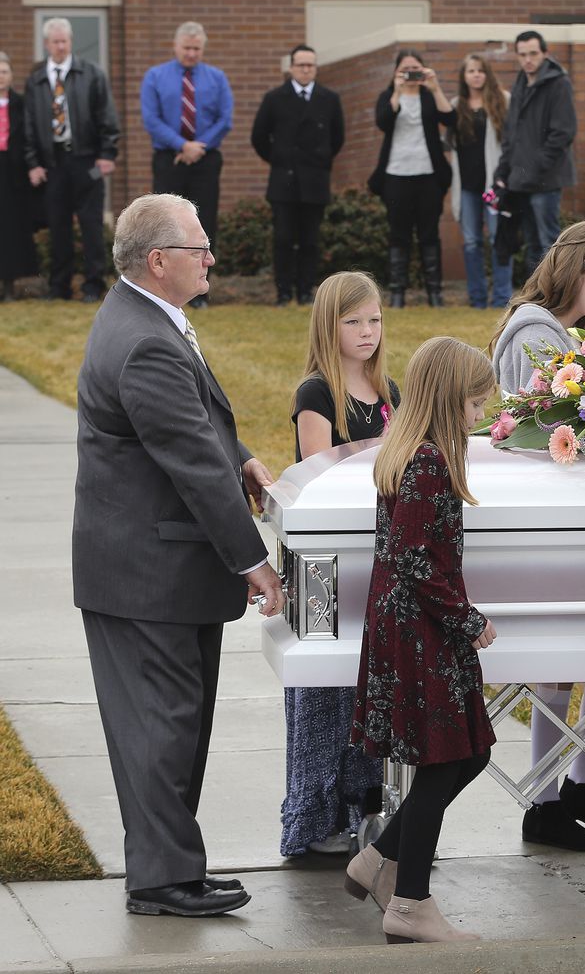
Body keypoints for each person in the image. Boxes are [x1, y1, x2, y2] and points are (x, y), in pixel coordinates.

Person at [72, 192, 283, 917]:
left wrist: (246, 459)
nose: (211, 258)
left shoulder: (147, 319)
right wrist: (253, 560)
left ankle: (170, 868)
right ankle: (162, 879)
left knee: (171, 724)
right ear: (159, 260)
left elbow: (195, 423)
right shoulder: (146, 339)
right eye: (200, 247)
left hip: (152, 566)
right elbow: (190, 458)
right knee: (162, 727)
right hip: (146, 573)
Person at [488, 220, 585, 851]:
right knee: (561, 660)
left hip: (569, 515)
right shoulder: (535, 334)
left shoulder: (558, 332)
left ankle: (581, 783)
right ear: (575, 270)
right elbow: (542, 428)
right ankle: (546, 798)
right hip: (546, 519)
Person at [344, 336, 498, 944]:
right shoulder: (428, 463)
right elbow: (417, 561)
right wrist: (469, 620)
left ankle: (379, 857)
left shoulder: (411, 452)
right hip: (420, 633)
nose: (480, 416)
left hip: (411, 627)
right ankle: (409, 903)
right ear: (448, 399)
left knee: (472, 749)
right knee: (444, 761)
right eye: (476, 404)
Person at [281, 271, 397, 857]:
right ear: (330, 326)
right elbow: (317, 473)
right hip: (326, 563)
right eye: (353, 321)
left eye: (374, 319)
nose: (367, 331)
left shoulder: (391, 394)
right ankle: (317, 817)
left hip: (379, 556)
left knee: (369, 685)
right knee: (327, 688)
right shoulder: (317, 393)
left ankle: (365, 807)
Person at [23, 17, 119, 303]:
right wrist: (32, 162)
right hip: (53, 164)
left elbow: (107, 115)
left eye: (65, 41)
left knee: (91, 224)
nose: (61, 46)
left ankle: (93, 284)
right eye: (56, 42)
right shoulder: (37, 80)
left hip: (86, 160)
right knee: (58, 225)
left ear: (71, 42)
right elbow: (28, 126)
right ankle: (59, 286)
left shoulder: (92, 74)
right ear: (46, 44)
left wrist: (107, 153)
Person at [140, 22, 231, 309]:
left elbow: (224, 119)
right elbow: (151, 119)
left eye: (197, 49)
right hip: (169, 159)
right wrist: (182, 145)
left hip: (205, 159)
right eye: (187, 48)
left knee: (204, 224)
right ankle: (165, 287)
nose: (191, 53)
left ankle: (200, 291)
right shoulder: (155, 76)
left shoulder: (217, 78)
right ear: (175, 46)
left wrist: (197, 146)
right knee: (165, 225)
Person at [251, 44, 345, 306]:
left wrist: (319, 160)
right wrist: (281, 159)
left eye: (310, 65)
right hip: (284, 180)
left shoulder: (329, 99)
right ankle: (283, 292)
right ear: (291, 68)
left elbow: (337, 138)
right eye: (301, 65)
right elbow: (259, 137)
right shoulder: (274, 98)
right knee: (282, 238)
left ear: (316, 68)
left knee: (310, 240)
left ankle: (305, 291)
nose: (306, 70)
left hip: (315, 180)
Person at [368, 50, 455, 309]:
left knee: (429, 234)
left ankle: (434, 293)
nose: (411, 74)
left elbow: (450, 118)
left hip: (429, 175)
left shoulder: (429, 96)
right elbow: (383, 121)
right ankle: (397, 293)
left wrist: (435, 86)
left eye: (415, 68)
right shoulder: (388, 96)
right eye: (405, 69)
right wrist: (396, 91)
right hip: (395, 174)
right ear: (396, 72)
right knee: (399, 234)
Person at [493, 30, 576, 274]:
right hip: (520, 181)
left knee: (549, 244)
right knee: (531, 244)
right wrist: (503, 170)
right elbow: (512, 133)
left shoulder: (559, 83)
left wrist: (535, 167)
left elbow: (563, 132)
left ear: (545, 54)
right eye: (522, 55)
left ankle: (556, 298)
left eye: (533, 53)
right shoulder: (520, 82)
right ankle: (536, 301)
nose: (528, 59)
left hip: (545, 180)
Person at [439, 53, 512, 309]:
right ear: (464, 76)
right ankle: (477, 298)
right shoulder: (456, 104)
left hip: (494, 185)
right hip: (467, 186)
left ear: (487, 73)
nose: (476, 75)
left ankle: (502, 298)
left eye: (481, 70)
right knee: (471, 242)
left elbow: (511, 142)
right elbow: (446, 134)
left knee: (497, 239)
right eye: (471, 71)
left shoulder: (502, 100)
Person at [0, 52, 39, 301]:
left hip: (13, 174)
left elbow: (29, 136)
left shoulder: (21, 103)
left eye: (3, 72)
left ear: (11, 75)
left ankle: (10, 285)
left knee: (11, 229)